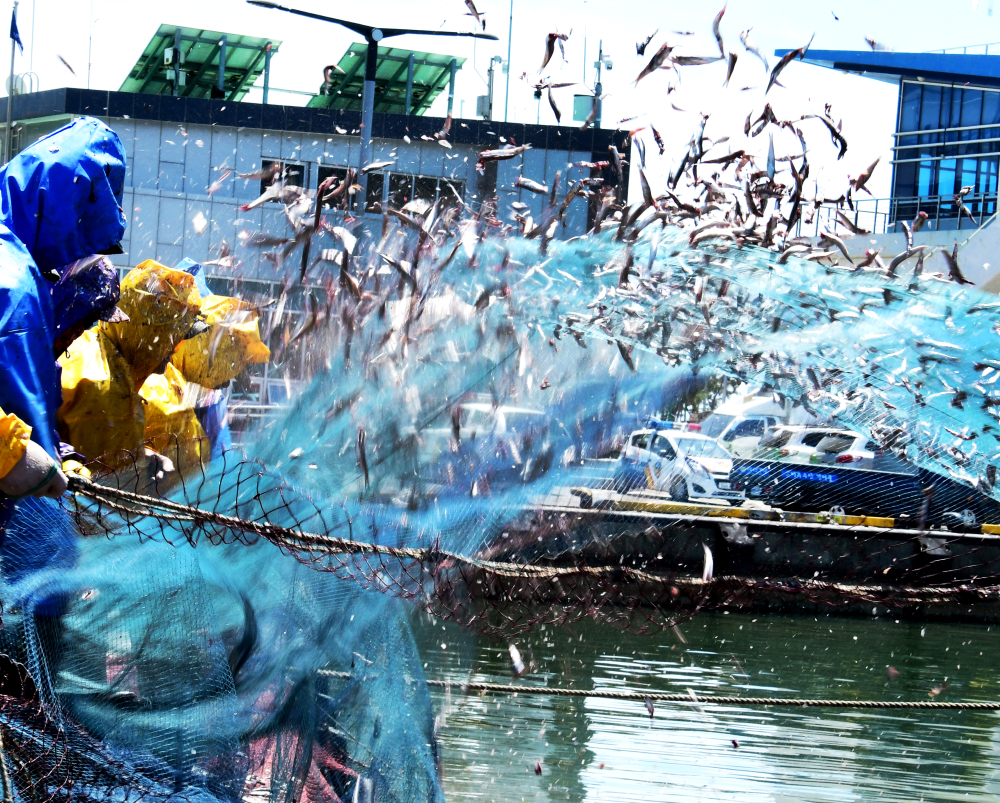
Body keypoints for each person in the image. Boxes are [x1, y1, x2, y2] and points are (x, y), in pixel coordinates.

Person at [0, 116, 127, 520]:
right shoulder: (13, 278)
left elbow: (28, 403)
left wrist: (58, 452)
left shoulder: (19, 261)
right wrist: (10, 450)